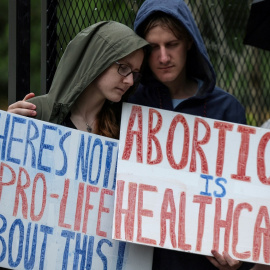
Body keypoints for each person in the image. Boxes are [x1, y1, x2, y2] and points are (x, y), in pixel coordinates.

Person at [128, 0, 255, 269]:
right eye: (152, 47)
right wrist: (34, 114)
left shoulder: (228, 110)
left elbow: (242, 202)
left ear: (188, 42)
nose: (163, 57)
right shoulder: (128, 104)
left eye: (171, 44)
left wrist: (238, 260)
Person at [7, 20, 148, 139]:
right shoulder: (38, 113)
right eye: (123, 67)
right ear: (98, 61)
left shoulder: (127, 127)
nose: (130, 81)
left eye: (135, 73)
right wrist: (6, 130)